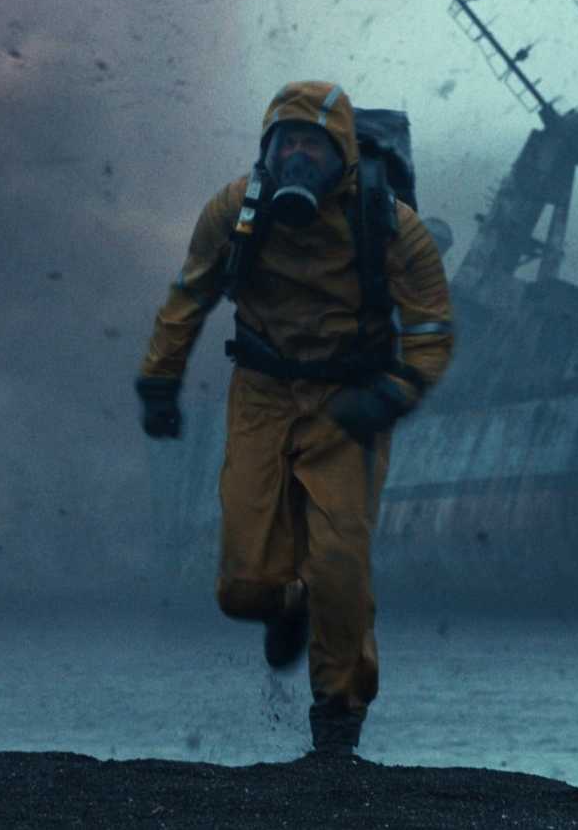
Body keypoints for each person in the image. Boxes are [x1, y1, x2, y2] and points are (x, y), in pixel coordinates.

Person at [136, 80, 455, 759]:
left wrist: (394, 392)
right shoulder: (235, 211)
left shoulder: (390, 223)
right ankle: (287, 607)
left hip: (348, 402)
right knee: (242, 586)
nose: (299, 157)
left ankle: (337, 719)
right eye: (287, 144)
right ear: (268, 150)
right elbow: (188, 297)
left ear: (343, 152)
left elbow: (430, 327)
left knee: (340, 564)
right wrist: (160, 380)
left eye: (314, 144)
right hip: (263, 394)